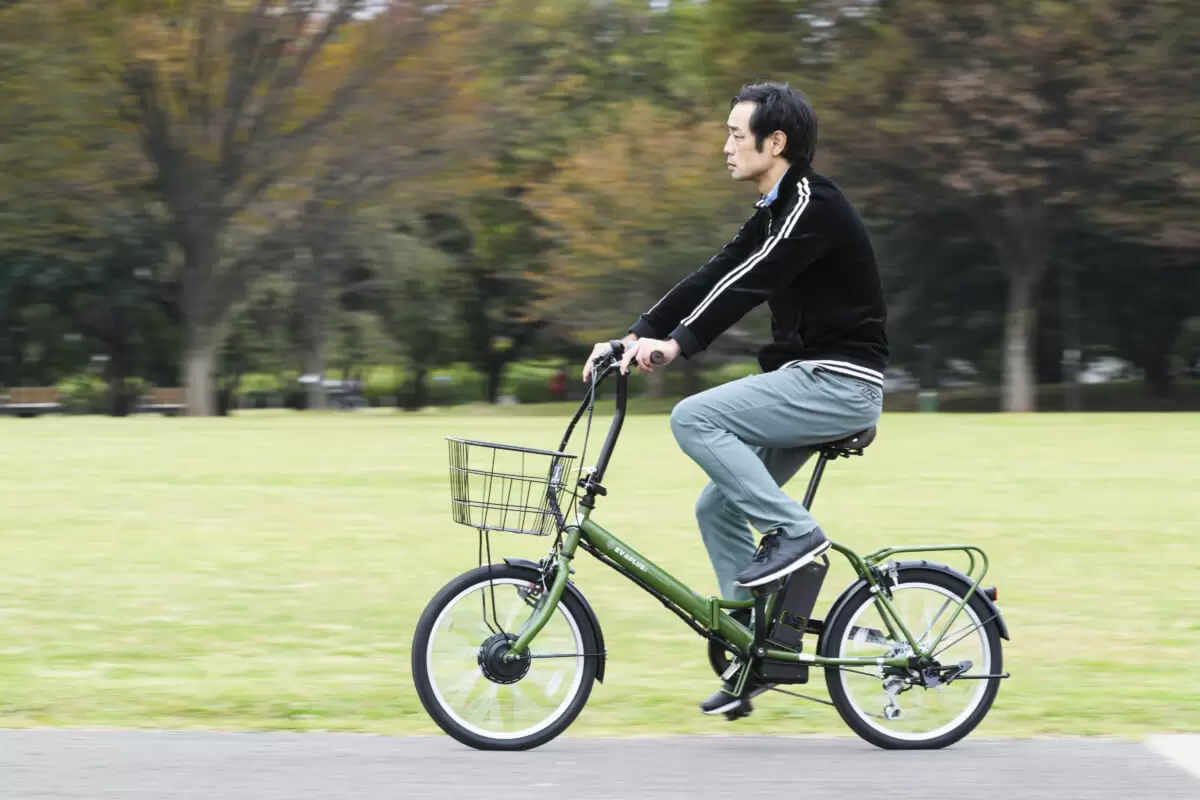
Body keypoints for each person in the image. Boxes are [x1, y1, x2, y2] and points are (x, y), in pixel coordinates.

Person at [582, 82, 889, 717]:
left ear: (775, 143)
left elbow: (752, 282)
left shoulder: (810, 202)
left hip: (838, 381)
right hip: (807, 380)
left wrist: (681, 345)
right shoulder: (772, 209)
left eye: (734, 134)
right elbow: (715, 272)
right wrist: (632, 336)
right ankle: (754, 647)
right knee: (715, 508)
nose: (724, 146)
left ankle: (797, 535)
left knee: (695, 416)